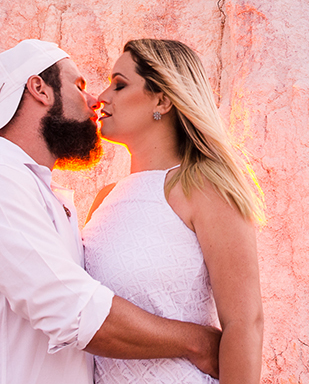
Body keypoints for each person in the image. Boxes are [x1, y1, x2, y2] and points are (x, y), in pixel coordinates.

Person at [0, 39, 221, 384]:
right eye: (79, 86)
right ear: (40, 89)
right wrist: (197, 342)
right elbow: (70, 309)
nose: (95, 99)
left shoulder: (41, 194)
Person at [84, 39, 264, 384]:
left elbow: (245, 324)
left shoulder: (205, 189)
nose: (102, 96)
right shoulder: (105, 200)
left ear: (162, 100)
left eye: (119, 85)